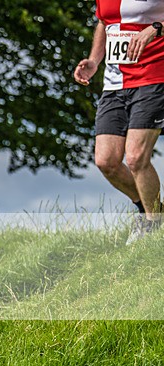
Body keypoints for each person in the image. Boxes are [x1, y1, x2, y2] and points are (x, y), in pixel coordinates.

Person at [74, 0, 164, 244]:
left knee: (135, 157)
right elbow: (105, 22)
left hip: (153, 78)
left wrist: (156, 27)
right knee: (106, 161)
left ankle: (154, 226)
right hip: (114, 85)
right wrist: (94, 60)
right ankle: (150, 210)